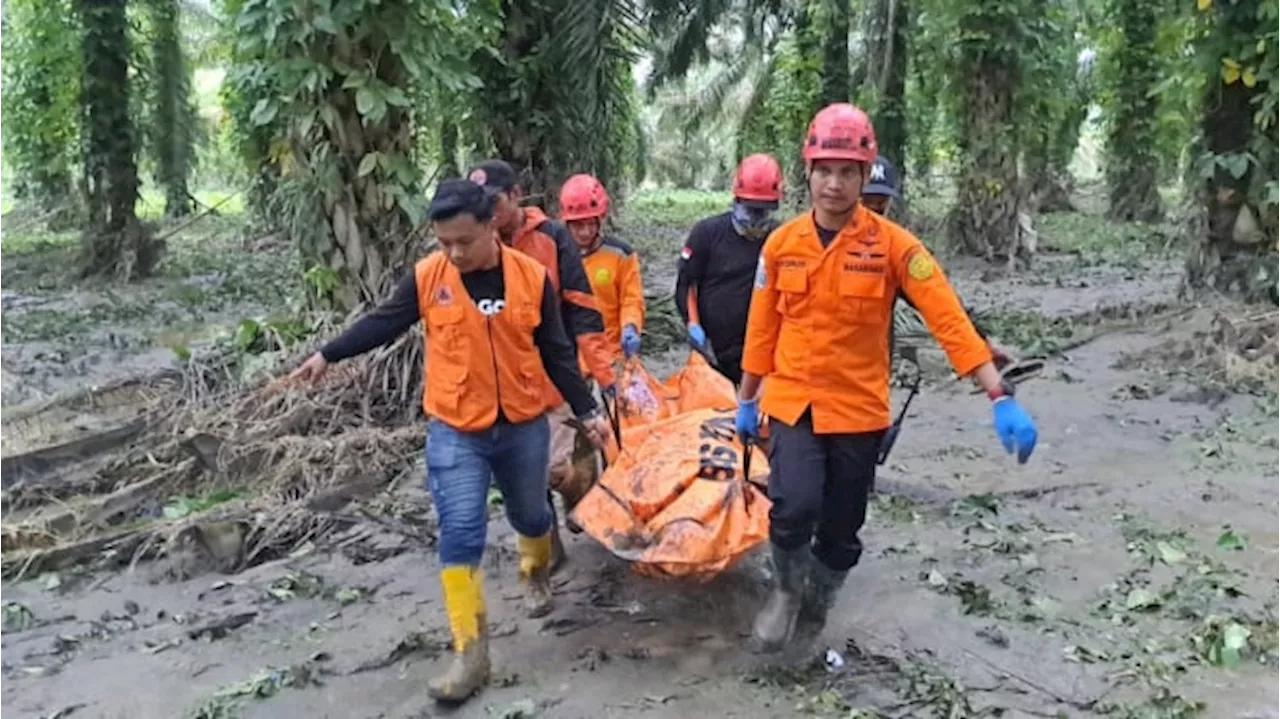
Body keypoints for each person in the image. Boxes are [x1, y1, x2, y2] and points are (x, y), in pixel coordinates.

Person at [289, 179, 610, 703]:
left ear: (491, 227)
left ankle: (535, 572)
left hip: (523, 424)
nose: (453, 253)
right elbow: (383, 323)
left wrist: (587, 409)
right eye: (444, 243)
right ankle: (470, 653)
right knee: (460, 532)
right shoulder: (427, 277)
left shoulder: (532, 278)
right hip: (457, 427)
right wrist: (328, 354)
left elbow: (555, 350)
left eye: (464, 241)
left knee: (531, 515)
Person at [735, 104, 1040, 653]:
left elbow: (947, 318)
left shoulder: (896, 248)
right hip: (792, 402)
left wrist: (996, 391)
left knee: (841, 527)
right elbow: (762, 327)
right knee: (794, 504)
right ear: (807, 170)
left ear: (863, 174)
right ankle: (784, 591)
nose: (834, 183)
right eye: (824, 169)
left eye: (847, 172)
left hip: (857, 409)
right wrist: (746, 397)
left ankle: (818, 605)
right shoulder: (780, 247)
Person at [467, 160, 617, 560]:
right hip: (501, 387)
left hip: (555, 376)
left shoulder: (552, 238)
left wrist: (605, 375)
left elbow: (583, 309)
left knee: (551, 471)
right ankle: (545, 559)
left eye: (493, 202)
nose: (485, 212)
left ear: (516, 195)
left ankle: (578, 484)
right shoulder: (471, 245)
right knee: (522, 478)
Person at [861, 154, 1013, 370]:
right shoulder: (806, 244)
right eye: (865, 202)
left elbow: (943, 309)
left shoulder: (897, 252)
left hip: (871, 377)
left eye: (880, 204)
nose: (872, 212)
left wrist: (983, 345)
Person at [675, 153, 784, 385]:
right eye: (750, 211)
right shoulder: (707, 233)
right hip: (713, 347)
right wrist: (693, 324)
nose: (755, 221)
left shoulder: (781, 238)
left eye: (762, 213)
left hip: (763, 351)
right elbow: (686, 284)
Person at [558, 173, 646, 361]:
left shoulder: (620, 255)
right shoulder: (555, 255)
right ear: (566, 224)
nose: (585, 232)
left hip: (611, 354)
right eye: (578, 225)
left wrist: (630, 326)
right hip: (570, 358)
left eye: (590, 224)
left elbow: (631, 298)